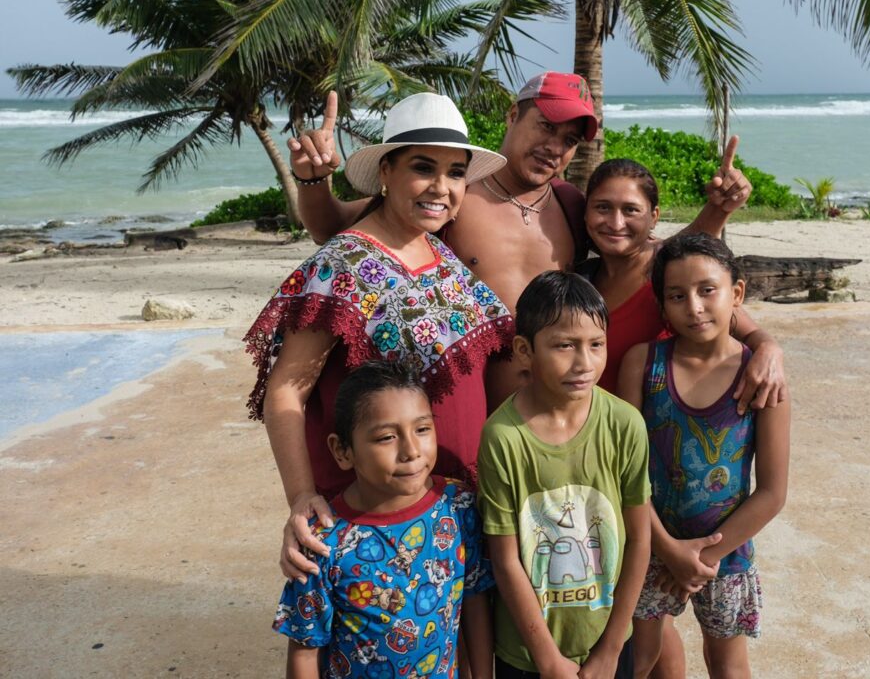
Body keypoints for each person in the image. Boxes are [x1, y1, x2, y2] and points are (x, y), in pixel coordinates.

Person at [285, 73, 786, 407]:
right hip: (471, 402)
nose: (554, 147)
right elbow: (336, 231)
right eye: (546, 126)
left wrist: (717, 215)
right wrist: (313, 179)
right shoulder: (453, 192)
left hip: (558, 411)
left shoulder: (570, 204)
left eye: (569, 140)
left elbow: (654, 261)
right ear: (512, 115)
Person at [246, 92, 513, 580]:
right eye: (423, 168)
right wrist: (301, 496)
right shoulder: (345, 263)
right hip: (384, 514)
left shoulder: (437, 250)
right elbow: (287, 390)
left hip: (455, 507)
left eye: (456, 173)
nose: (441, 187)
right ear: (386, 172)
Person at [616, 234, 791, 679]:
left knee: (727, 666)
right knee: (638, 660)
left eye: (707, 290)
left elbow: (772, 492)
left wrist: (702, 559)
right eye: (677, 296)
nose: (694, 307)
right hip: (648, 546)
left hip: (726, 555)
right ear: (662, 305)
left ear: (737, 293)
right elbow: (624, 473)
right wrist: (668, 550)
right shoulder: (643, 365)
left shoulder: (762, 377)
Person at [476, 272, 651, 678]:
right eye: (564, 346)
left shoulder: (625, 424)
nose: (584, 363)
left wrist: (610, 650)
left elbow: (640, 539)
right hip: (527, 653)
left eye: (596, 344)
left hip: (607, 644)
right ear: (524, 350)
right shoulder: (503, 437)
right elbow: (505, 560)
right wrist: (548, 659)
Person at [273, 359, 494, 679]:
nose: (411, 451)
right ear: (342, 451)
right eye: (386, 437)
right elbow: (305, 651)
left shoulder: (457, 507)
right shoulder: (322, 543)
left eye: (422, 429)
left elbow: (474, 601)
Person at [580, 151, 785, 409]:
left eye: (631, 210)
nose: (616, 223)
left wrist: (770, 351)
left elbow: (749, 331)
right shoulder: (579, 280)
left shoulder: (672, 276)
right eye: (602, 207)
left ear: (654, 216)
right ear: (585, 212)